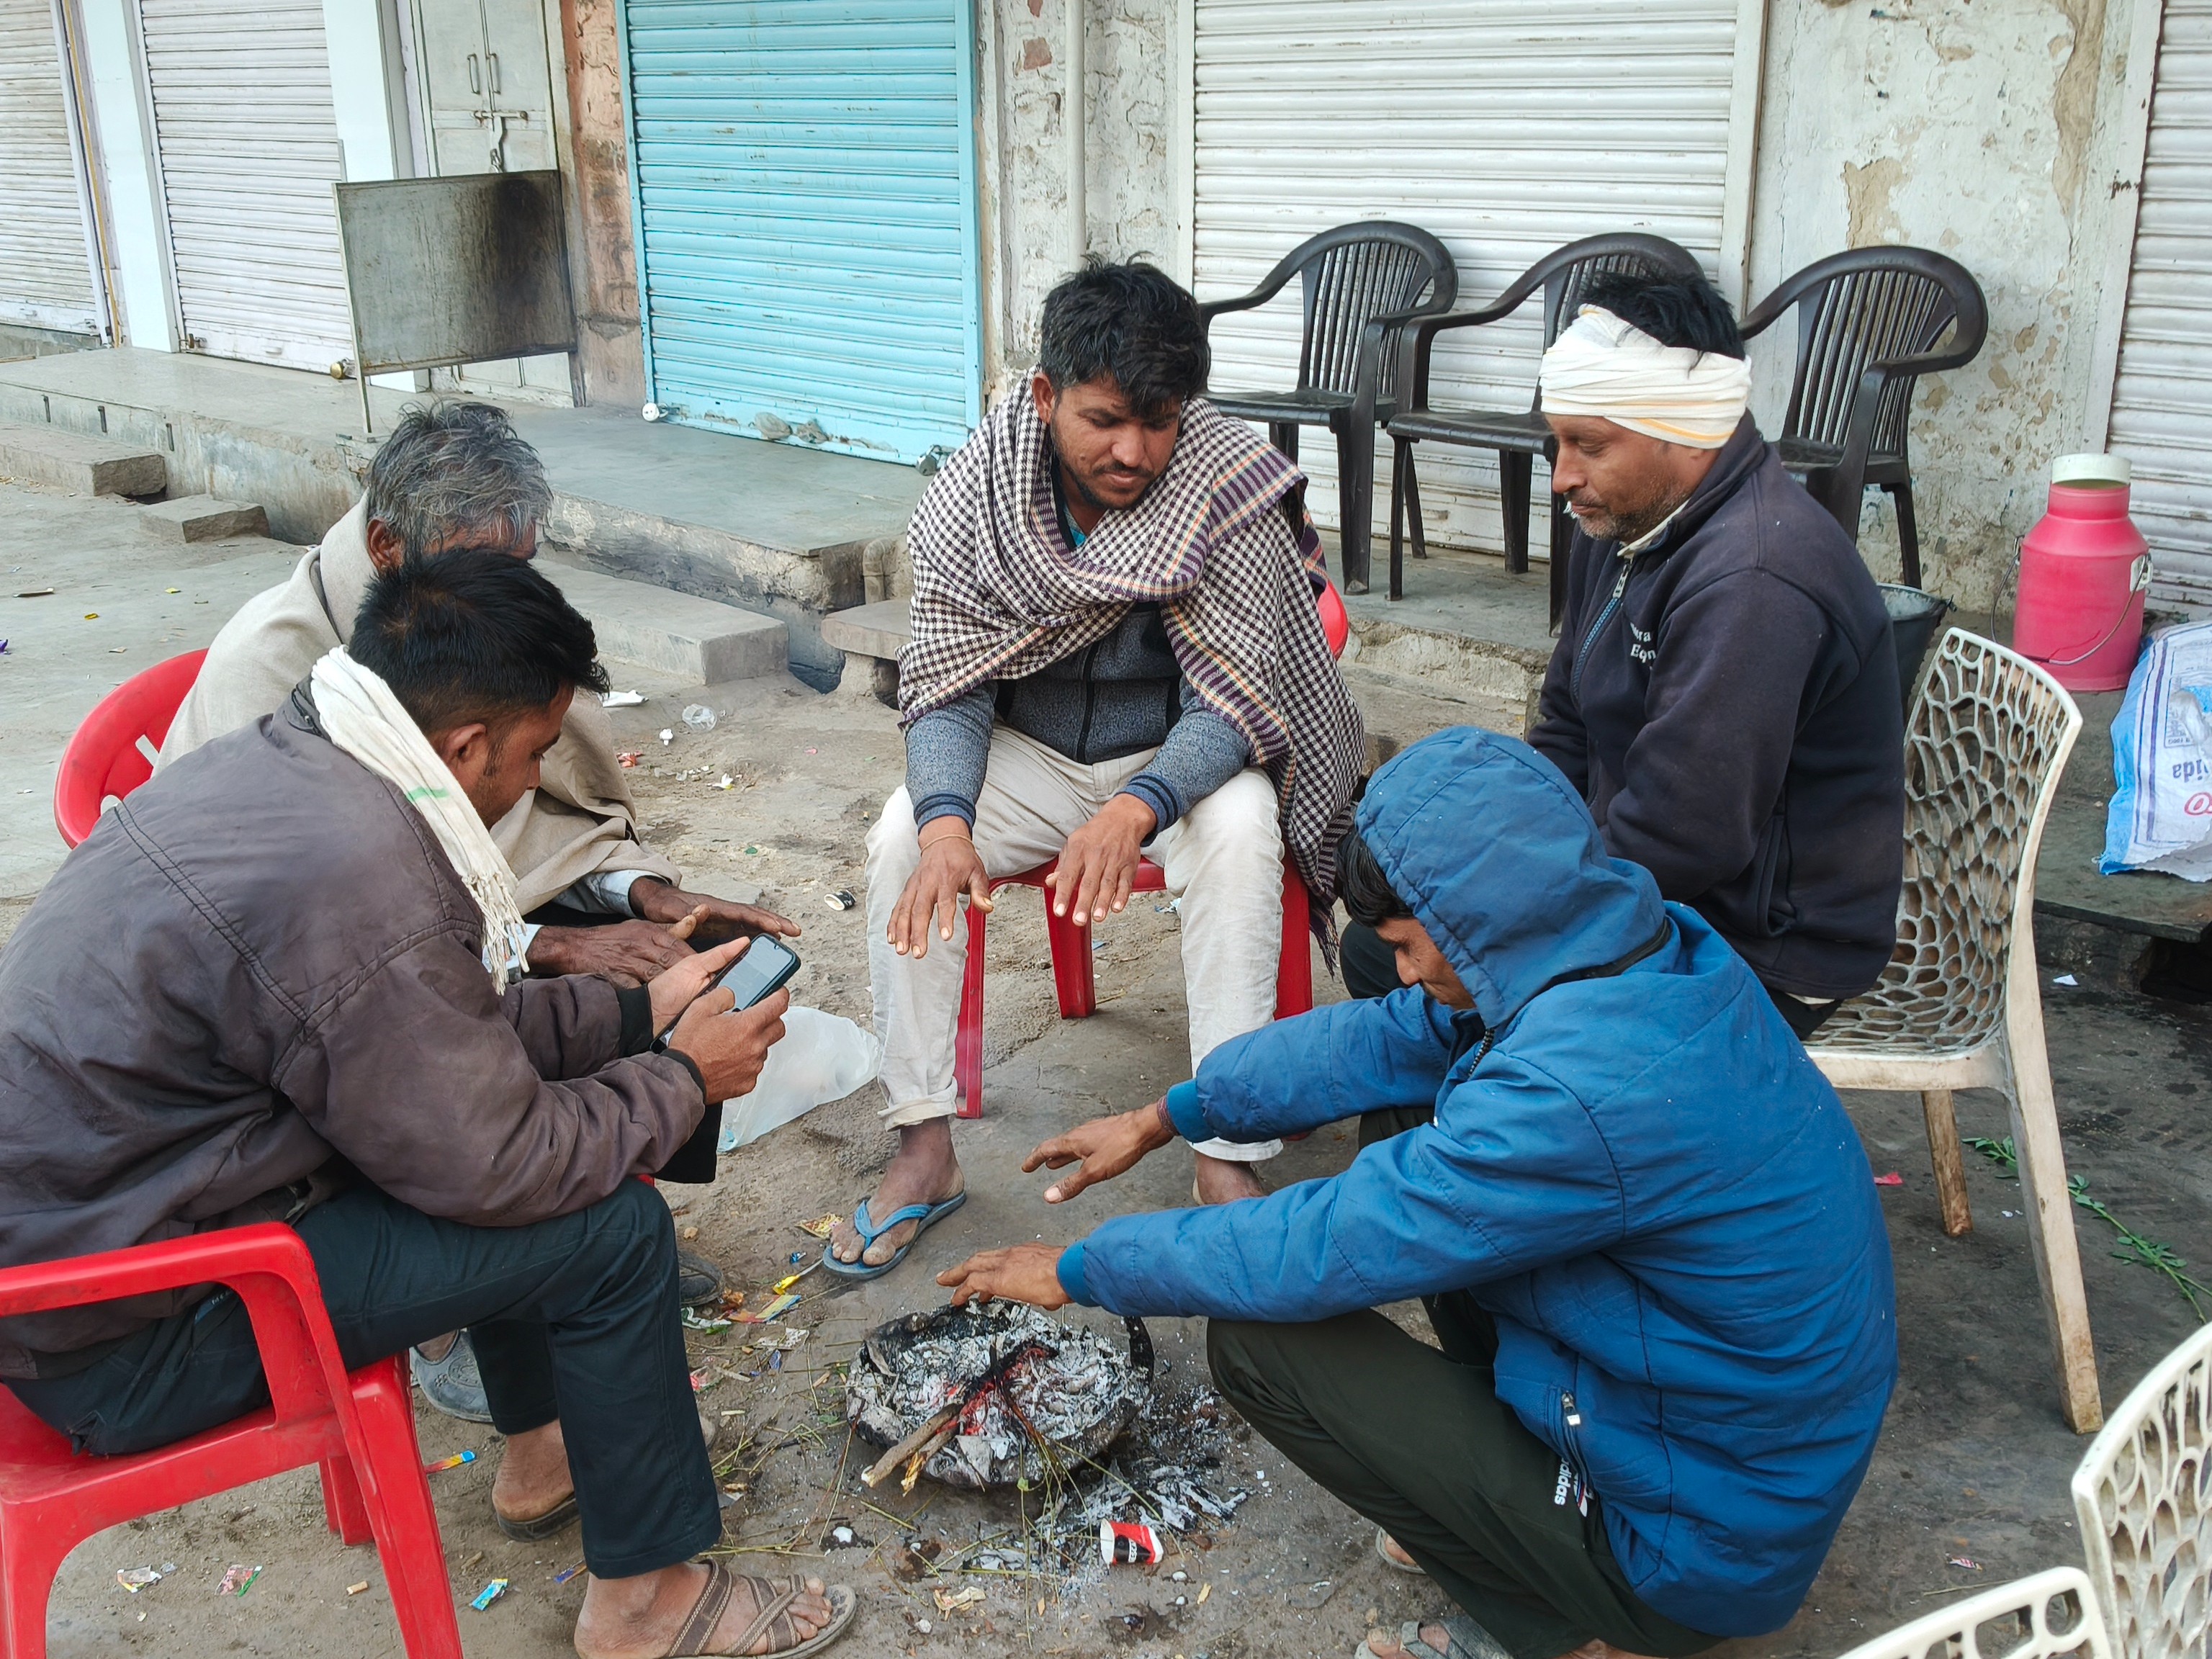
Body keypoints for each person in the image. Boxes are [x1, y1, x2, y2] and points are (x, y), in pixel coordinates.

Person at [0, 551, 855, 1659]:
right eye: (535, 755)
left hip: (85, 1254)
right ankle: (647, 1605)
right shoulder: (361, 874)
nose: (533, 783)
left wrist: (635, 1013)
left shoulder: (295, 756)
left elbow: (437, 1042)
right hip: (125, 1335)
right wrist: (685, 1076)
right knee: (611, 1230)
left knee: (512, 1138)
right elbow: (500, 1160)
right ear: (465, 747)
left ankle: (543, 1454)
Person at [939, 726, 1898, 1659]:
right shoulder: (1629, 947)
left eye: (1406, 944)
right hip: (1719, 1440)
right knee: (1411, 1101)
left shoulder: (1573, 1098)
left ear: (1476, 923)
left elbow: (1322, 1245)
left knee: (1262, 1342)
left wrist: (1083, 1267)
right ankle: (1509, 1485)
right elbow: (1381, 1039)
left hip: (1688, 1550)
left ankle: (1570, 1630)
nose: (1398, 971)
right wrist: (1168, 1115)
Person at [162, 400, 780, 1380]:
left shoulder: (471, 637)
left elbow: (536, 806)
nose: (509, 592)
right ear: (387, 548)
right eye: (486, 566)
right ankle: (471, 1300)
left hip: (414, 935)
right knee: (548, 1053)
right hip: (294, 1017)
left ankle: (600, 1231)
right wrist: (544, 955)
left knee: (670, 971)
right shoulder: (273, 673)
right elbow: (333, 950)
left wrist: (632, 892)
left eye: (522, 567)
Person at [831, 261, 1366, 1277]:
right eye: (1107, 420)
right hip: (1027, 753)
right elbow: (948, 683)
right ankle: (924, 1144)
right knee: (904, 836)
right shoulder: (973, 495)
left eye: (1159, 421)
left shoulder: (1226, 481)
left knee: (1246, 824)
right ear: (1046, 396)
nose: (1135, 452)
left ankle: (1224, 1154)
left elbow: (1235, 700)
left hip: (1175, 754)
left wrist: (1138, 806)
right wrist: (947, 823)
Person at [1341, 271, 1904, 1041]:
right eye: (1558, 441)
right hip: (1653, 882)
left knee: (1425, 976)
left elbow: (1684, 835)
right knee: (1397, 944)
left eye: (1589, 445)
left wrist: (1516, 911)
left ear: (1685, 428)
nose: (1562, 475)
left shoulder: (1755, 579)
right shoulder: (1629, 520)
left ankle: (1495, 1114)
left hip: (1760, 946)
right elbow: (1565, 724)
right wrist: (1498, 863)